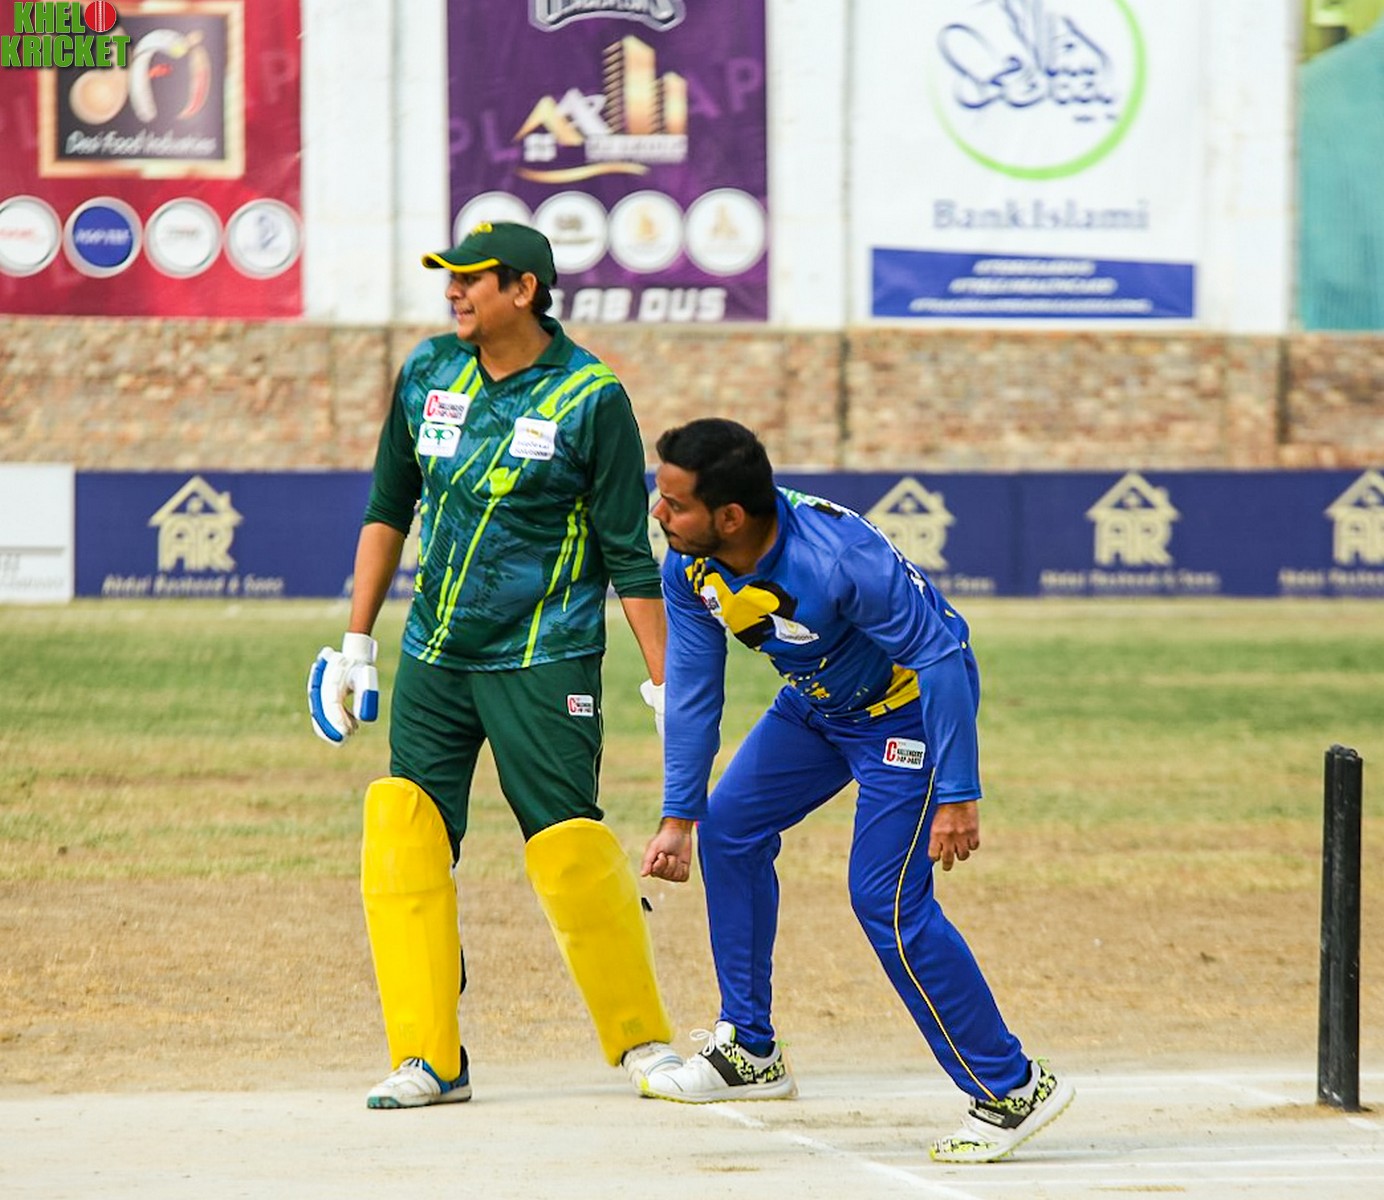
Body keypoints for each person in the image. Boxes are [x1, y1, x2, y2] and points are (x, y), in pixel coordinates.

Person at [307, 220, 678, 1109]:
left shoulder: (591, 397)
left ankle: (642, 1040)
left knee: (569, 843)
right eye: (450, 277)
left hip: (546, 654)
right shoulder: (429, 371)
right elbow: (389, 505)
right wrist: (356, 642)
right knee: (403, 832)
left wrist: (672, 686)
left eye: (471, 278)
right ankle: (428, 1058)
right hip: (435, 654)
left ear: (523, 290)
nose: (453, 291)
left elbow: (629, 554)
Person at [638, 418, 1074, 1163]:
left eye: (675, 503)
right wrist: (679, 816)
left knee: (886, 902)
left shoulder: (840, 559)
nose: (659, 513)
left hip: (909, 714)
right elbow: (692, 693)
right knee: (730, 826)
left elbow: (941, 656)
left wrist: (957, 793)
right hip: (816, 706)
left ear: (730, 516)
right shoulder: (691, 565)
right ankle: (749, 1051)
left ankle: (1011, 1087)